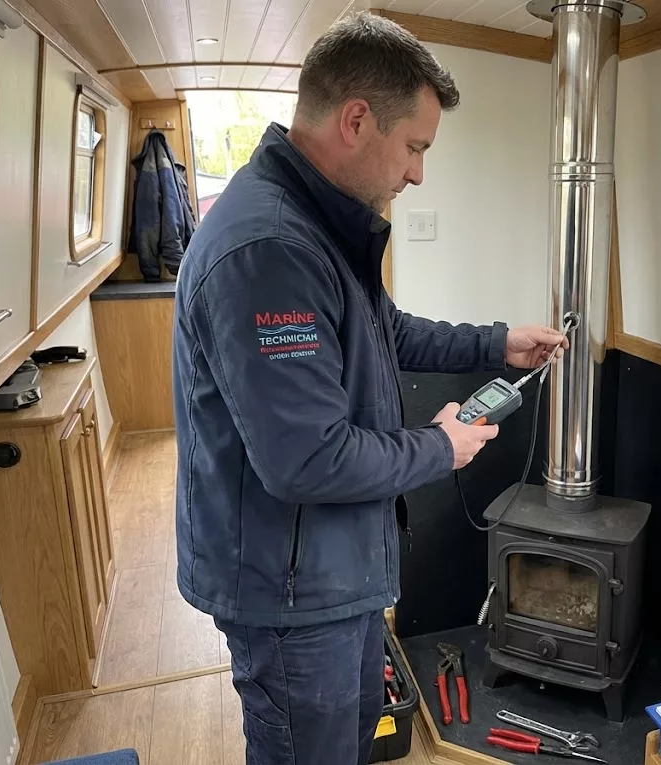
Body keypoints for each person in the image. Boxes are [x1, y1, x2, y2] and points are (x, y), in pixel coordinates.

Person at [171, 11, 567, 765]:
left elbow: (385, 330)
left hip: (333, 571)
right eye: (414, 146)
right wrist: (439, 447)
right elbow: (306, 459)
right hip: (290, 593)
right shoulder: (272, 251)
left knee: (353, 744)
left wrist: (497, 342)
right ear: (357, 120)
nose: (418, 171)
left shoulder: (322, 224)